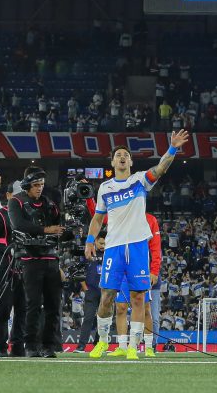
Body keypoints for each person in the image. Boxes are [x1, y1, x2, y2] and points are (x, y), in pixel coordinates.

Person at [85, 129, 189, 360]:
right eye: (118, 155)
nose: (122, 157)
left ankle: (133, 346)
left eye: (125, 155)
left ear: (130, 161)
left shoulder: (139, 180)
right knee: (107, 296)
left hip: (137, 246)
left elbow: (161, 168)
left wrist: (172, 148)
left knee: (138, 298)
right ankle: (102, 342)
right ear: (112, 161)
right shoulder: (105, 188)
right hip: (113, 247)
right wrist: (90, 240)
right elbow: (98, 218)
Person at [7, 167, 65, 358]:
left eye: (41, 185)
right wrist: (47, 230)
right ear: (26, 185)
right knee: (32, 305)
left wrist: (71, 228)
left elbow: (61, 227)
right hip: (29, 260)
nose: (39, 188)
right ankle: (30, 345)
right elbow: (19, 225)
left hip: (51, 259)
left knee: (53, 306)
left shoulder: (49, 203)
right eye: (35, 185)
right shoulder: (16, 202)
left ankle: (48, 346)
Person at [107, 213, 162, 358]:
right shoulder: (119, 214)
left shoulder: (150, 219)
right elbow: (98, 215)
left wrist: (154, 270)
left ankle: (148, 346)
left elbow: (155, 247)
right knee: (120, 308)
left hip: (140, 268)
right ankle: (122, 346)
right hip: (121, 269)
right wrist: (90, 200)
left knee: (145, 308)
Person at [0, 181, 26, 357]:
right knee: (3, 309)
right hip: (4, 269)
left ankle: (17, 347)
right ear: (9, 196)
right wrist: (8, 249)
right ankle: (1, 348)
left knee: (22, 309)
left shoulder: (25, 216)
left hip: (23, 269)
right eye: (16, 195)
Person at [75, 233, 106, 353]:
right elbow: (79, 271)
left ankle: (98, 345)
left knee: (102, 320)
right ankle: (81, 346)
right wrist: (85, 288)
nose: (103, 246)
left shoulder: (109, 255)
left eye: (105, 243)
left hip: (105, 292)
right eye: (101, 243)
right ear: (95, 242)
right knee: (88, 318)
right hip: (92, 291)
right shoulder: (88, 254)